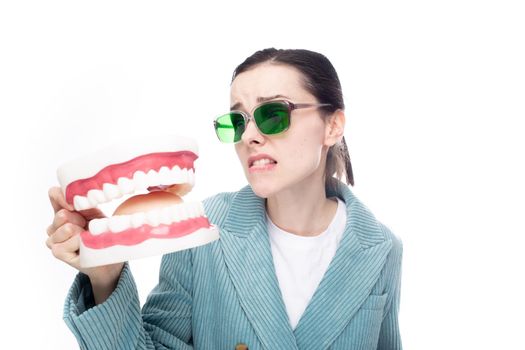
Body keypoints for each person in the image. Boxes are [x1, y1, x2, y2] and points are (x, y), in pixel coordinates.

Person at [46, 48, 403, 350]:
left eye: (273, 114)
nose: (249, 135)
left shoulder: (382, 247)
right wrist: (105, 275)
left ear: (332, 126)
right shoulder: (203, 230)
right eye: (237, 120)